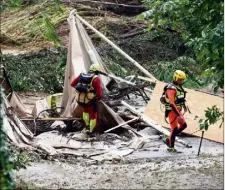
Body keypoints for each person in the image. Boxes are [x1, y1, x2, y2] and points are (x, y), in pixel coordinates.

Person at [70, 63, 103, 137]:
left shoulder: (81, 75)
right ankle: (91, 131)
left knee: (85, 111)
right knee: (93, 115)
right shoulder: (96, 78)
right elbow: (99, 91)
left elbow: (72, 84)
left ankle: (87, 126)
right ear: (97, 71)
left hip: (81, 99)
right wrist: (99, 98)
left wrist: (81, 88)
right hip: (91, 100)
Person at [162, 70, 188, 152]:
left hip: (178, 110)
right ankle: (171, 147)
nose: (181, 81)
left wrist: (184, 106)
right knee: (175, 128)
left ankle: (169, 139)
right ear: (176, 78)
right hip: (172, 111)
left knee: (184, 125)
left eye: (182, 80)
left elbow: (180, 98)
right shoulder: (171, 88)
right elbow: (172, 103)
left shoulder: (179, 87)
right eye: (180, 79)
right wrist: (179, 114)